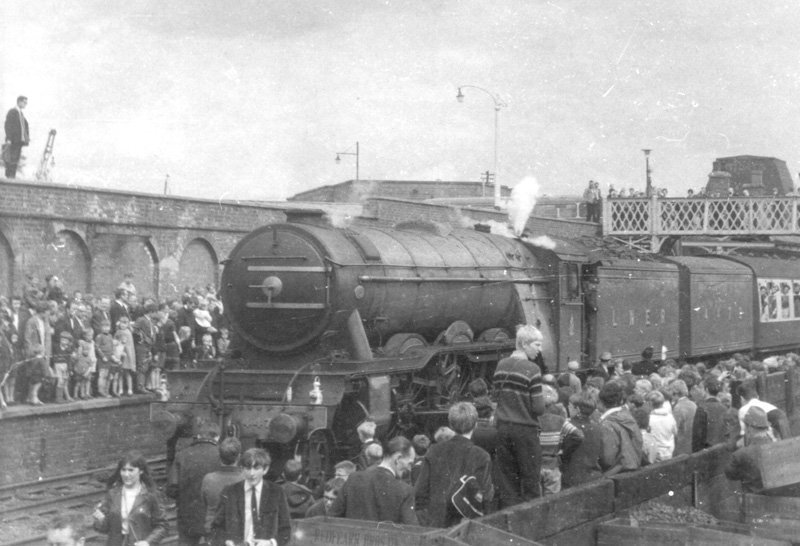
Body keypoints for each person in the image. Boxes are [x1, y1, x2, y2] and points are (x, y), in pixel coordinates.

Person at [414, 402, 494, 527]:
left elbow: (420, 492)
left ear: (450, 424)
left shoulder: (434, 451)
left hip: (435, 524)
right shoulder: (481, 456)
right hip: (466, 527)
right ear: (475, 424)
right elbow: (486, 498)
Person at [492, 324, 545, 507]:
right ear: (524, 343)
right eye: (537, 345)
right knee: (530, 481)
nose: (540, 350)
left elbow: (496, 397)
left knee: (508, 482)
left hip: (503, 430)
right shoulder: (532, 369)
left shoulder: (500, 365)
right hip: (525, 432)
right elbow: (538, 408)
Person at [210, 447, 292, 546]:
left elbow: (286, 530)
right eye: (248, 468)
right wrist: (225, 542)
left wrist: (271, 543)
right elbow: (216, 528)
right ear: (242, 469)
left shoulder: (276, 492)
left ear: (265, 469)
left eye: (256, 468)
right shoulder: (229, 492)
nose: (251, 473)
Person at [329, 435, 418, 525]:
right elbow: (412, 531)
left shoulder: (354, 479)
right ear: (398, 458)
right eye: (409, 463)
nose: (410, 469)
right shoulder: (405, 491)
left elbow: (332, 517)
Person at [93, 451, 168, 546]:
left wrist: (147, 542)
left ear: (141, 471)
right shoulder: (112, 494)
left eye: (131, 470)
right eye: (123, 470)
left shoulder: (151, 495)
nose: (126, 474)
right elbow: (104, 528)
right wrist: (100, 520)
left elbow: (162, 526)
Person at [167, 418, 220, 546]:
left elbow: (171, 489)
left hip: (187, 516)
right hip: (214, 517)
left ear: (199, 436)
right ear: (217, 437)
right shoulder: (222, 455)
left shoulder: (182, 454)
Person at [724, 406, 776, 493]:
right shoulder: (778, 447)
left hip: (754, 501)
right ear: (766, 427)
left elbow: (729, 473)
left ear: (750, 428)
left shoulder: (741, 454)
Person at [201, 436, 245, 537]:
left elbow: (204, 502)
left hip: (213, 530)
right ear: (239, 457)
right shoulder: (245, 478)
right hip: (238, 531)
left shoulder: (208, 479)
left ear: (219, 456)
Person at [598, 381, 643, 477]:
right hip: (634, 468)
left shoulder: (607, 424)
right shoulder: (628, 417)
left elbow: (608, 459)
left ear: (601, 402)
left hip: (616, 474)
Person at [646, 390, 677, 462]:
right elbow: (675, 433)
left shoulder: (649, 419)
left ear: (650, 403)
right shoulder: (670, 417)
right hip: (669, 451)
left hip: (655, 454)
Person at [4, 96, 29, 179]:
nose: (26, 104)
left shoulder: (20, 113)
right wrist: (9, 138)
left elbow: (24, 126)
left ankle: (12, 176)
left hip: (19, 141)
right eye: (24, 102)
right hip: (13, 140)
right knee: (11, 157)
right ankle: (9, 176)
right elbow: (8, 125)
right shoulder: (13, 112)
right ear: (19, 102)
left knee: (16, 158)